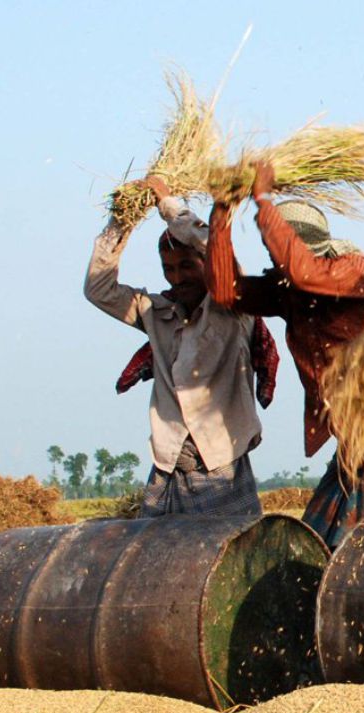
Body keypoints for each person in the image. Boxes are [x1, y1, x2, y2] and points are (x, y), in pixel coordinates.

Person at [200, 163, 364, 541]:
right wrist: (221, 215)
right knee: (312, 541)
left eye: (280, 255)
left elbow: (304, 273)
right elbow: (225, 291)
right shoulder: (292, 292)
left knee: (362, 547)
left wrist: (264, 201)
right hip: (352, 445)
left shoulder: (355, 271)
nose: (277, 268)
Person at [87, 186, 270, 516]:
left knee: (232, 556)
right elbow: (98, 289)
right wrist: (121, 221)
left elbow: (214, 246)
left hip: (221, 463)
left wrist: (168, 206)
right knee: (157, 560)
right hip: (169, 462)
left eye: (186, 266)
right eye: (168, 269)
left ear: (205, 263)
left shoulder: (232, 307)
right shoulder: (156, 313)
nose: (177, 277)